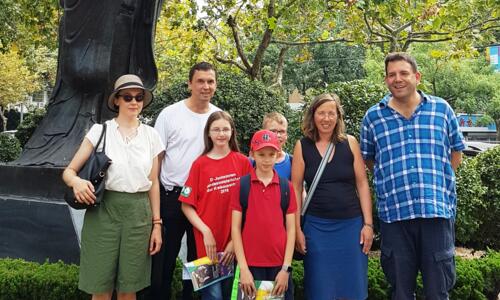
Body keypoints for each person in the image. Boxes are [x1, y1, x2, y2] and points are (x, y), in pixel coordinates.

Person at [360, 52, 465, 300]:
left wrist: (438, 182)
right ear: (386, 79)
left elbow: (456, 151)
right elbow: (369, 159)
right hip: (395, 216)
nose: (398, 79)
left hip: (436, 213)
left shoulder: (441, 110)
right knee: (400, 291)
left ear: (417, 77)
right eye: (392, 74)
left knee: (438, 291)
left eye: (404, 73)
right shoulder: (373, 117)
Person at [62, 74, 163, 300]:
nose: (134, 102)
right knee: (101, 287)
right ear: (116, 100)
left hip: (139, 214)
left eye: (138, 97)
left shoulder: (151, 135)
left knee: (130, 287)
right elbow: (68, 172)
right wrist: (77, 181)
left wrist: (157, 224)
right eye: (127, 97)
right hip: (103, 211)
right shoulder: (100, 131)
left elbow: (154, 182)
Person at [291, 93, 373, 300]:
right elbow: (295, 187)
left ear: (338, 117)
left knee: (353, 287)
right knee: (320, 288)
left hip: (351, 227)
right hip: (316, 228)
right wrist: (296, 229)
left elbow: (362, 184)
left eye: (331, 113)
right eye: (321, 113)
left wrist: (368, 225)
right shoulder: (302, 146)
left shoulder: (350, 143)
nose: (326, 118)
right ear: (313, 115)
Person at [152, 62, 221, 299]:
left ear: (215, 85)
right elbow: (156, 161)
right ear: (190, 83)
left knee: (201, 262)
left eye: (210, 81)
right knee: (162, 262)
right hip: (171, 196)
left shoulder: (218, 117)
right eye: (200, 81)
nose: (205, 86)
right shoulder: (169, 115)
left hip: (205, 201)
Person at [180, 111, 252, 300]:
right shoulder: (199, 164)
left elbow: (250, 206)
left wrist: (233, 243)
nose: (221, 134)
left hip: (235, 248)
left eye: (225, 129)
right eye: (216, 129)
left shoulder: (243, 162)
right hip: (207, 249)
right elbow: (186, 205)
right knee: (212, 297)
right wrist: (206, 232)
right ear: (209, 133)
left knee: (233, 295)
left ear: (232, 132)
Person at [232, 130, 297, 300]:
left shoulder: (286, 187)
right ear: (252, 154)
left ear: (278, 154)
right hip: (250, 266)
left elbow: (291, 230)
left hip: (279, 267)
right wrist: (244, 269)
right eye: (261, 154)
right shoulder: (242, 185)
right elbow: (235, 228)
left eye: (271, 154)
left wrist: (286, 269)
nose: (267, 159)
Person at [260, 112, 293, 179]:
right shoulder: (253, 162)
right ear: (263, 133)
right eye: (273, 131)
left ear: (286, 135)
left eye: (282, 131)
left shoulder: (293, 162)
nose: (278, 135)